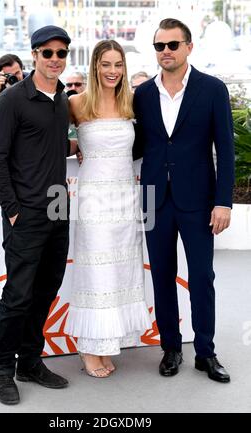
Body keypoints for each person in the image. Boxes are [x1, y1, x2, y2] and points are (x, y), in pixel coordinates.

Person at [133, 18, 235, 383]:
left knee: (202, 277)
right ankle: (171, 348)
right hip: (154, 199)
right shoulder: (142, 94)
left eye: (172, 45)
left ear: (189, 47)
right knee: (161, 276)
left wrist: (223, 202)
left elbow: (226, 149)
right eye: (159, 46)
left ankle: (205, 353)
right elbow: (136, 145)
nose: (165, 52)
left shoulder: (212, 89)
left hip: (199, 201)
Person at [0, 25, 77, 405]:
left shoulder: (61, 100)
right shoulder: (12, 99)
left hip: (59, 208)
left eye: (61, 53)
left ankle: (30, 361)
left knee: (46, 290)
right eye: (47, 53)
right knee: (18, 296)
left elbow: (49, 145)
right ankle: (4, 369)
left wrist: (74, 146)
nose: (55, 59)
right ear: (34, 56)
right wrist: (11, 210)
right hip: (25, 215)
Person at [65, 40, 151, 378]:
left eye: (118, 64)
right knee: (96, 271)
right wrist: (75, 149)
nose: (112, 71)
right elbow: (57, 142)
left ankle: (106, 342)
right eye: (106, 64)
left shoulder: (131, 102)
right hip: (93, 201)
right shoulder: (75, 103)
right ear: (95, 66)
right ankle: (89, 347)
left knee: (120, 271)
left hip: (125, 200)